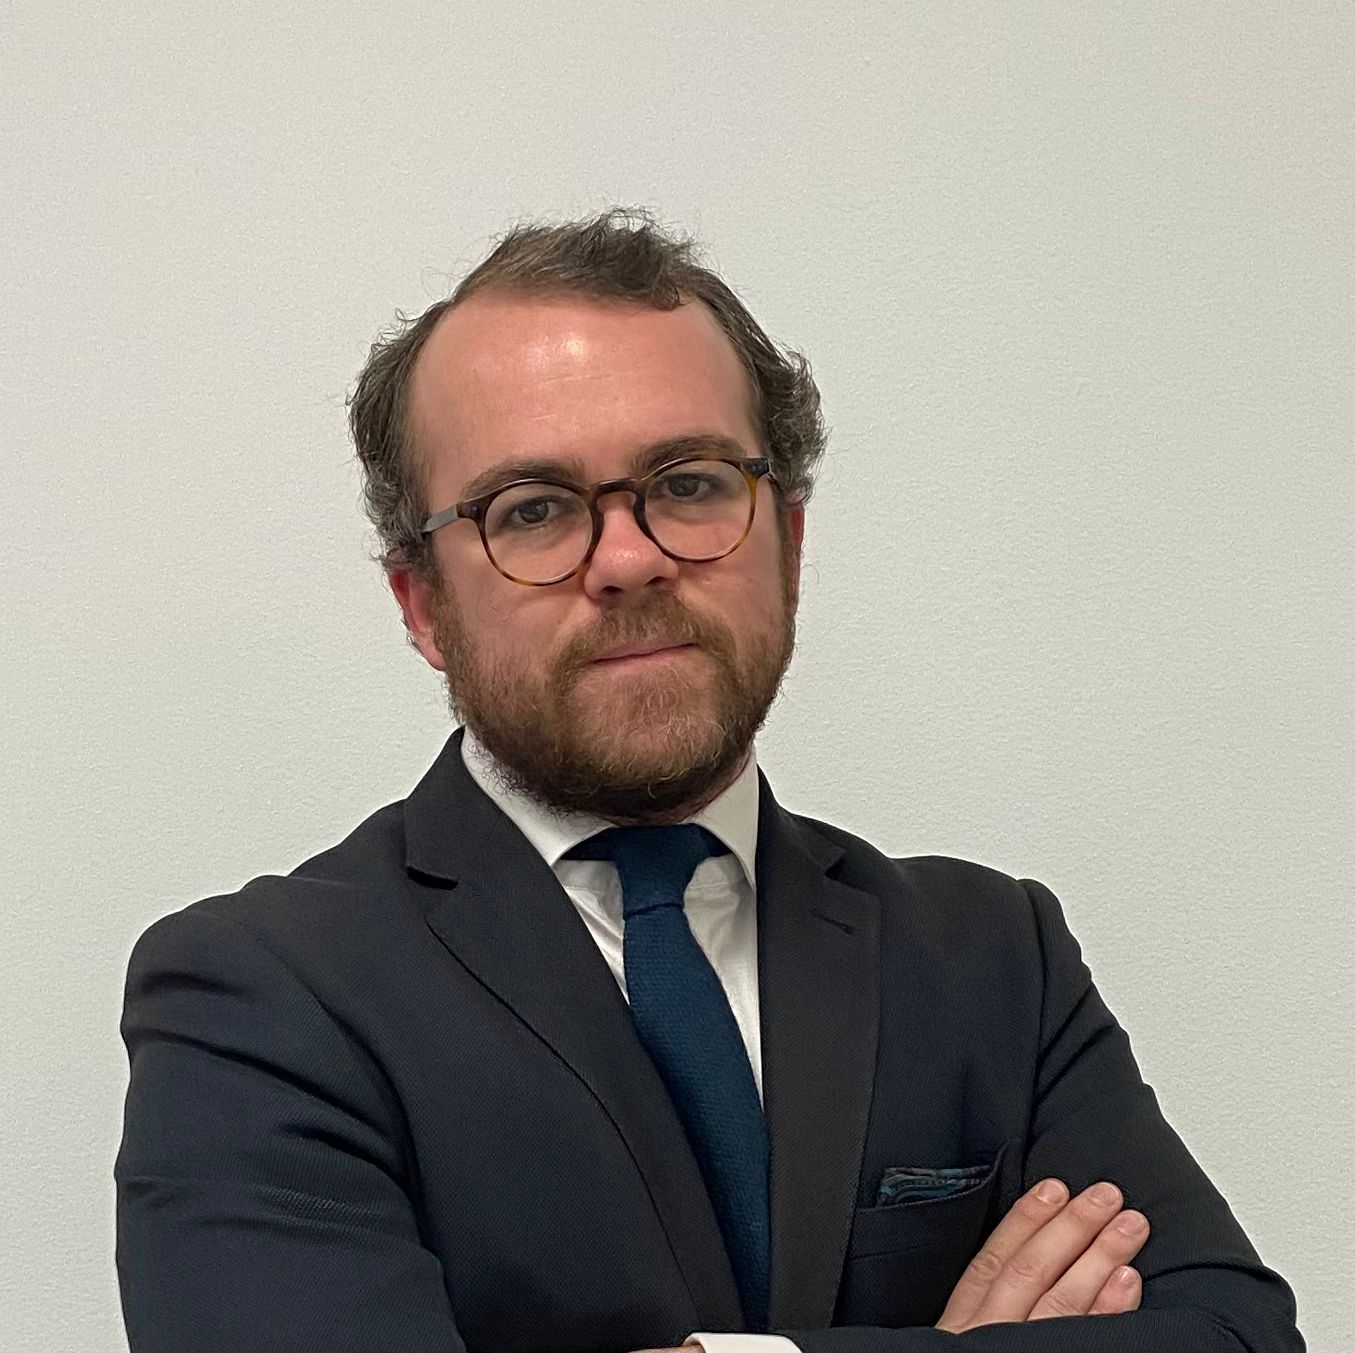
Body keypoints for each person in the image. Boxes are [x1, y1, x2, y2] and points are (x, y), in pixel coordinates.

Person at [114, 208, 1303, 1353]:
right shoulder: (262, 997)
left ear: (787, 541)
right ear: (421, 604)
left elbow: (1234, 1334)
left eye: (687, 483)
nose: (629, 559)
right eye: (533, 510)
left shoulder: (993, 958)